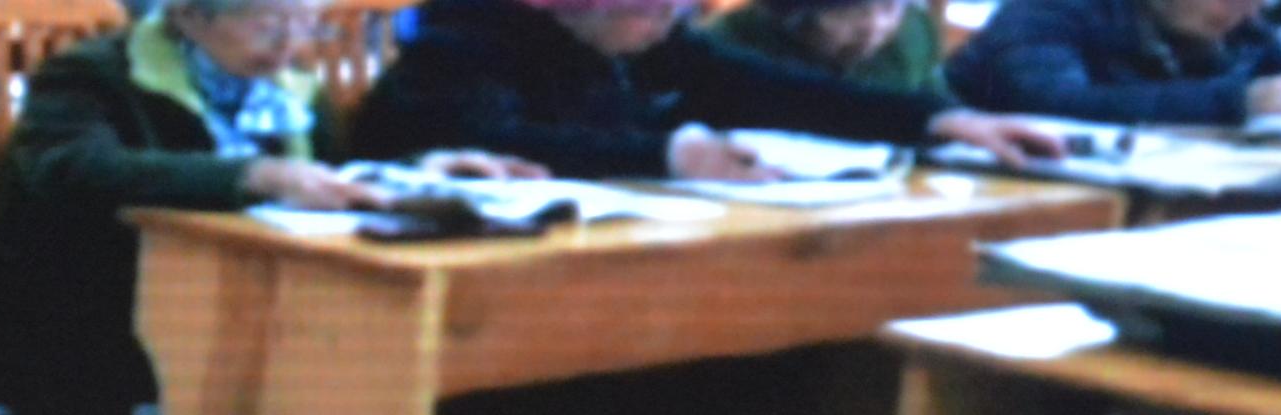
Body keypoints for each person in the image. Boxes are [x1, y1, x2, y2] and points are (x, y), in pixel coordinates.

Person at [0, 0, 407, 415]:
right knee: (315, 361)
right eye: (270, 24)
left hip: (237, 295)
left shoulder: (290, 84)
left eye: (308, 26)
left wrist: (408, 174)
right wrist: (249, 175)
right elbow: (72, 168)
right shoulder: (90, 73)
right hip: (88, 310)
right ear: (188, 16)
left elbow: (326, 176)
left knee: (373, 339)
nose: (291, 45)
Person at [341, 0, 1077, 180]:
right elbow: (491, 140)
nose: (673, 20)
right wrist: (671, 155)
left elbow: (766, 88)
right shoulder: (462, 37)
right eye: (655, 6)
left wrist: (940, 121)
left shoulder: (644, 38)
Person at [948, 0, 1281, 125]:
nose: (1247, 10)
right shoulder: (1054, 8)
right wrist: (1238, 101)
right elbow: (1053, 102)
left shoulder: (1236, 24)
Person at [705, 0, 945, 99]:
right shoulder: (731, 41)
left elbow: (937, 106)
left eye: (888, 7)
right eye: (852, 11)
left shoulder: (914, 31)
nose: (875, 26)